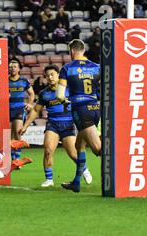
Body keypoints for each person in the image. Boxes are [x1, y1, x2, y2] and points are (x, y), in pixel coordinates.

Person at [20, 65, 92, 187]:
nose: (50, 77)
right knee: (48, 151)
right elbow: (36, 110)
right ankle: (49, 179)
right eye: (47, 75)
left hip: (68, 124)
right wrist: (25, 125)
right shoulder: (44, 93)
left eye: (52, 74)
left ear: (58, 75)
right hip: (52, 125)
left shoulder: (69, 89)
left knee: (73, 154)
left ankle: (84, 169)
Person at [56, 39, 101, 193]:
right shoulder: (97, 67)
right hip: (96, 108)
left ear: (72, 51)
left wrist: (66, 100)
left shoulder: (67, 68)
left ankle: (124, 164)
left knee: (97, 149)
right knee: (79, 145)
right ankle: (76, 182)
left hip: (81, 110)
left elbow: (60, 95)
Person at [8, 58, 34, 168]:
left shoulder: (24, 81)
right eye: (10, 67)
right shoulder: (4, 80)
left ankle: (17, 160)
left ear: (19, 69)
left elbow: (31, 94)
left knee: (18, 134)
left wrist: (29, 104)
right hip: (6, 110)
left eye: (14, 66)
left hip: (19, 109)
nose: (12, 68)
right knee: (9, 136)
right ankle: (12, 159)